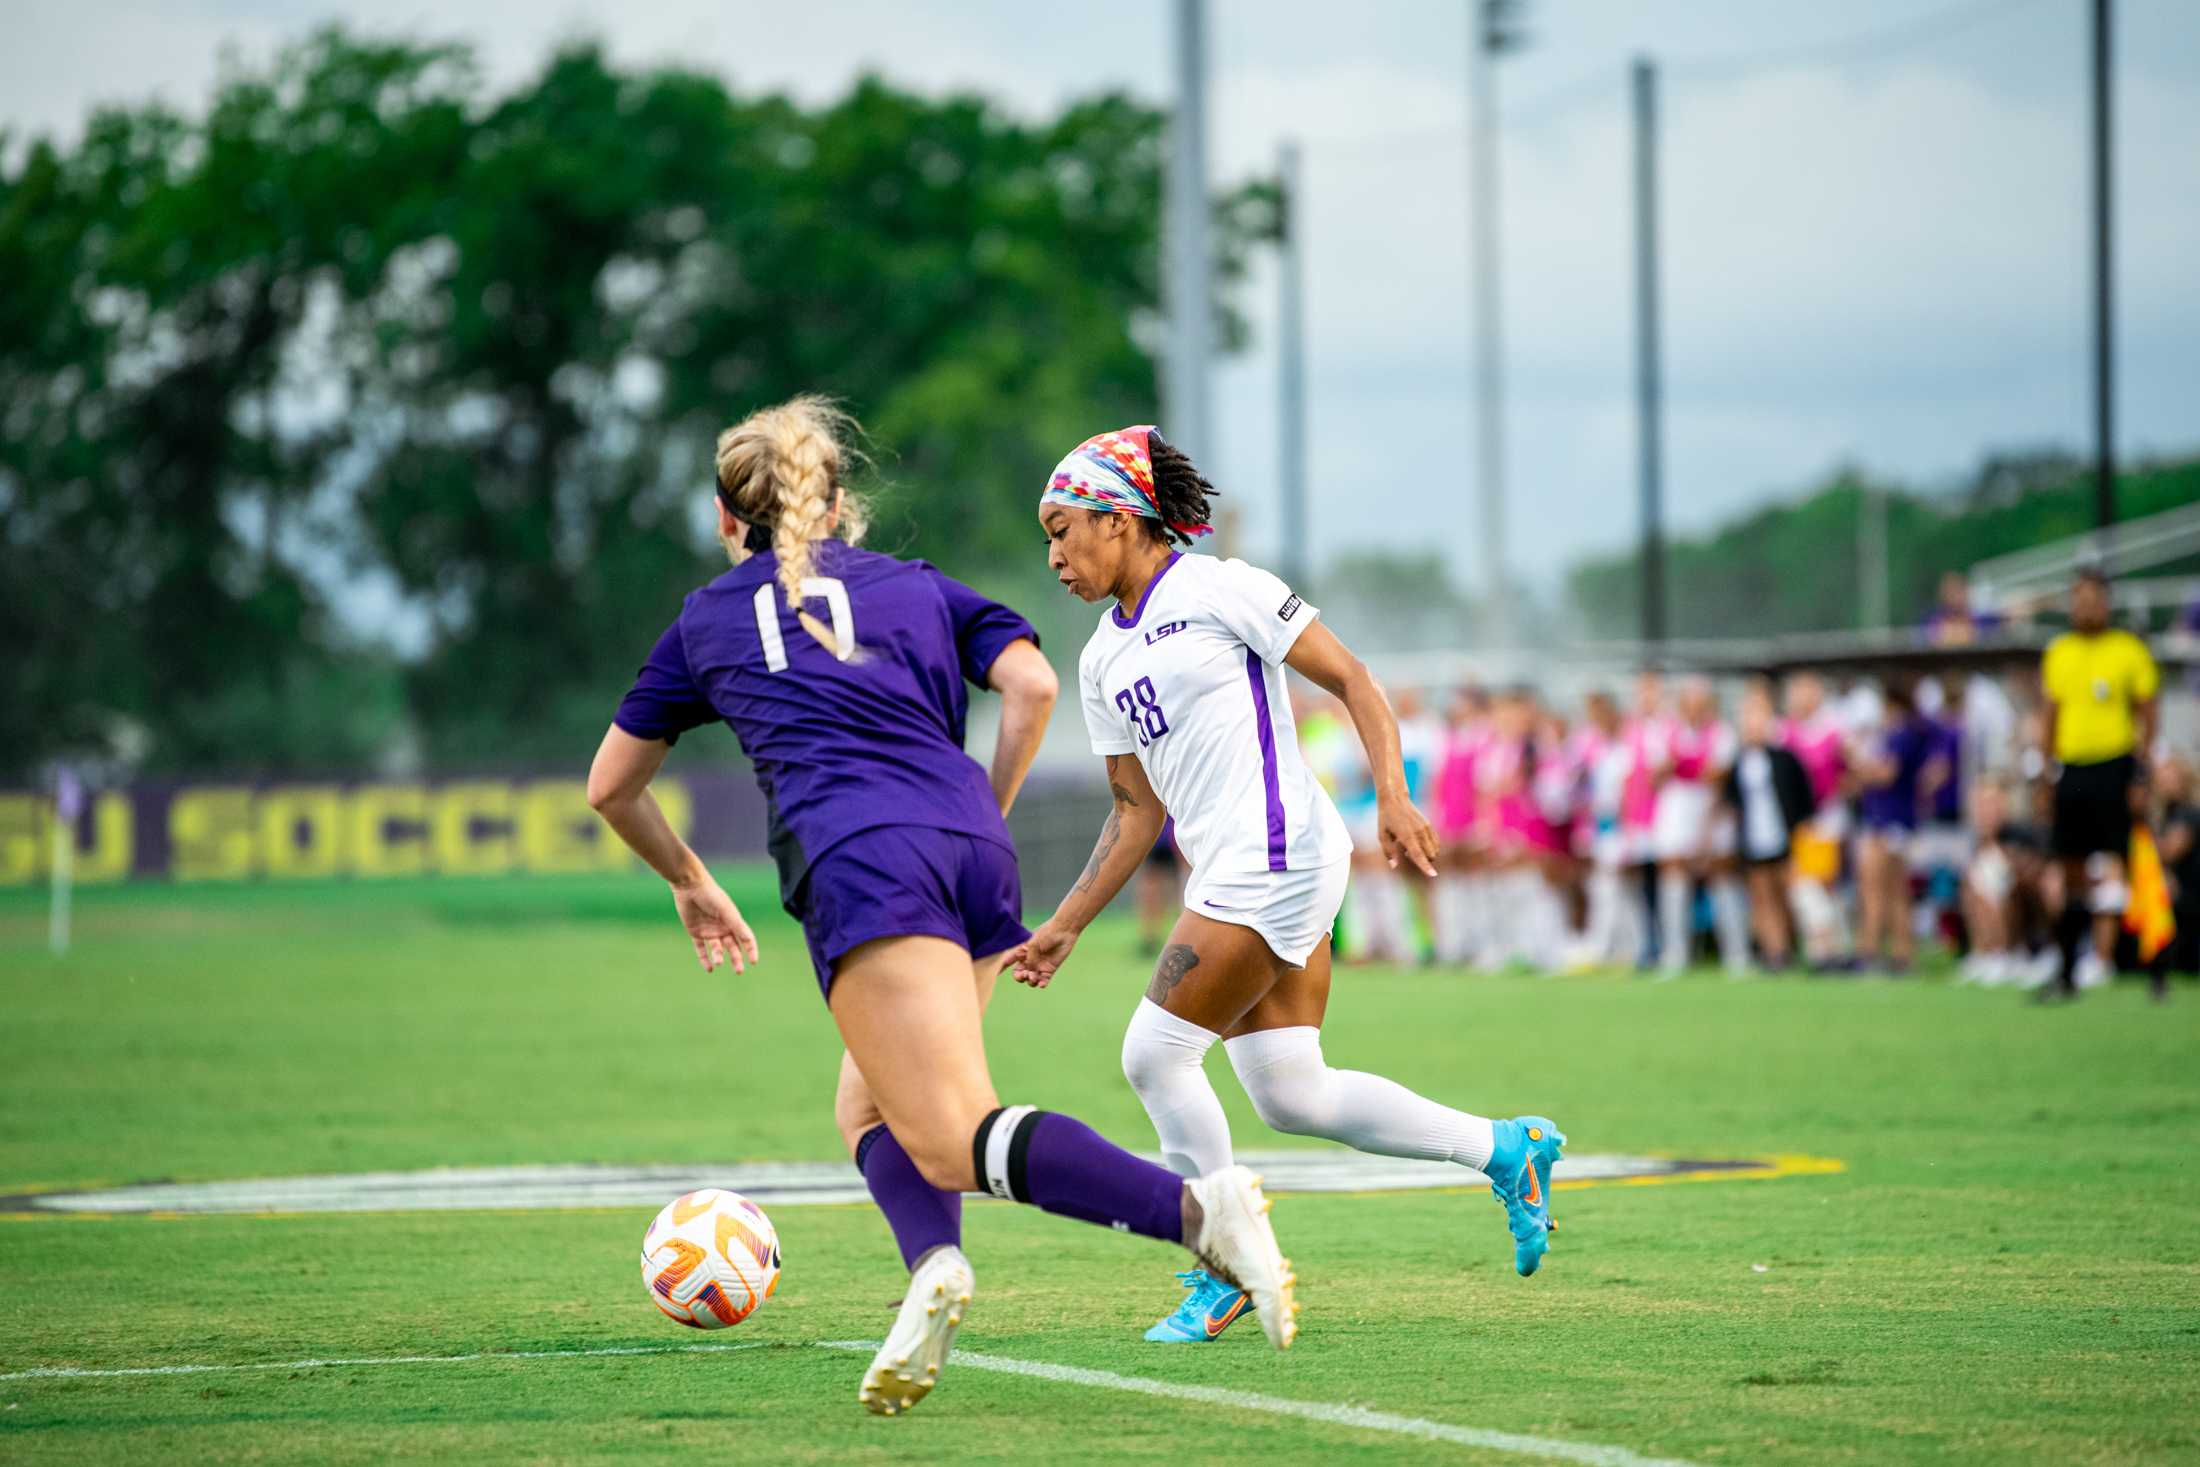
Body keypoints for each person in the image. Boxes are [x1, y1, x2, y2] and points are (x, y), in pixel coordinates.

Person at [588, 398, 1299, 1417]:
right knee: (868, 1107)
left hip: (863, 863)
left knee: (953, 1134)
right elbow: (1032, 687)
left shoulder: (707, 619)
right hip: (969, 852)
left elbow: (610, 787)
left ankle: (1197, 1211)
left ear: (723, 517)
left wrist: (691, 883)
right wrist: (980, 814)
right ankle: (933, 1269)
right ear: (840, 506)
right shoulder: (915, 586)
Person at [1012, 424, 1564, 1345]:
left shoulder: (1223, 586)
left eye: (1064, 527)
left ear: (1119, 517)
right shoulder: (1101, 660)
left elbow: (1352, 678)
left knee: (1154, 1054)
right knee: (1290, 1092)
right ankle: (1507, 1149)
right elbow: (1133, 814)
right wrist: (1066, 923)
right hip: (1236, 867)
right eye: (1047, 537)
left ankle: (1223, 1266)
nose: (1055, 553)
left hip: (1280, 855)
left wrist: (1394, 793)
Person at [2039, 568, 2161, 1001]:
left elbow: (2148, 711)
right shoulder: (2059, 652)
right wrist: (2044, 772)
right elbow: (2050, 716)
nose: (2085, 605)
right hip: (2072, 769)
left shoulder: (2128, 650)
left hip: (2116, 767)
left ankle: (2156, 968)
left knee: (2133, 865)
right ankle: (2068, 971)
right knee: (2069, 870)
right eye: (2078, 598)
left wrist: (2142, 773)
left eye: (2093, 597)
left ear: (2106, 602)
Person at [1654, 678, 1746, 976]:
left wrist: (1706, 826)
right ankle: (1675, 953)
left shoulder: (1722, 734)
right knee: (1674, 876)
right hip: (1676, 809)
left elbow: (1715, 777)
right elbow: (1657, 775)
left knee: (1720, 875)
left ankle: (1736, 953)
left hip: (1711, 808)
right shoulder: (1666, 732)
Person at [1722, 682, 1816, 972]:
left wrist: (1801, 830)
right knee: (1762, 896)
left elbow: (1802, 797)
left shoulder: (1784, 758)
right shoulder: (1739, 761)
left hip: (1784, 833)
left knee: (1789, 893)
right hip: (1754, 836)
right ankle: (1775, 952)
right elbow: (1732, 801)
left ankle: (1803, 945)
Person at [1855, 680, 1935, 974]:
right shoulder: (1899, 733)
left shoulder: (1901, 734)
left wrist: (1859, 766)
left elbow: (1887, 774)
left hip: (1892, 821)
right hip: (1889, 820)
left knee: (1879, 888)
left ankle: (1872, 951)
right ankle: (1900, 954)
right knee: (1893, 890)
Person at [1137, 817, 1186, 957]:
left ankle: (1180, 936)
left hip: (1174, 837)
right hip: (1158, 836)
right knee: (1151, 890)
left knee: (1178, 889)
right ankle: (1150, 937)